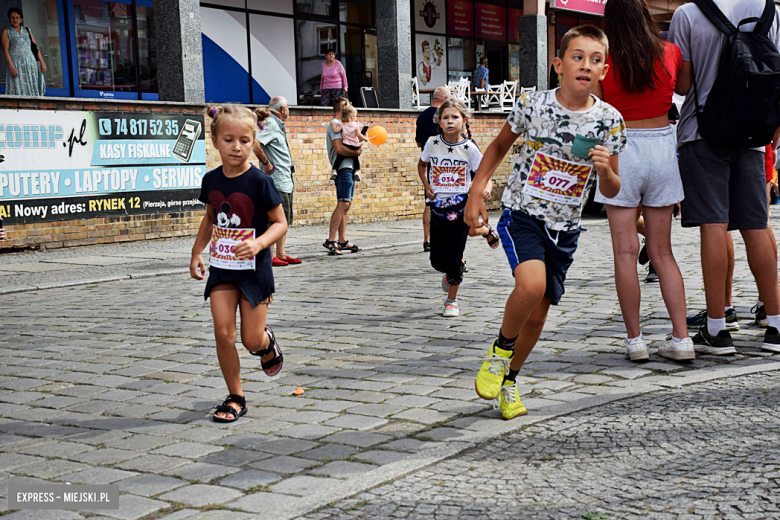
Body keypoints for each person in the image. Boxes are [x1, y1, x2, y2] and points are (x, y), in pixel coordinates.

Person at [466, 25, 625, 419]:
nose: (585, 65)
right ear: (558, 64)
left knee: (538, 314)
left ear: (604, 71)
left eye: (595, 60)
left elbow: (615, 185)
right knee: (531, 286)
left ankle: (509, 380)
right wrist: (476, 190)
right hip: (523, 214)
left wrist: (605, 172)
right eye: (577, 56)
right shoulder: (534, 105)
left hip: (566, 227)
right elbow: (500, 145)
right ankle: (500, 351)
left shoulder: (609, 121)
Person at [670, 0, 780, 354]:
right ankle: (777, 324)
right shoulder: (771, 11)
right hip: (753, 132)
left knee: (713, 225)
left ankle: (717, 329)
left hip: (703, 132)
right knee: (756, 223)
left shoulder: (687, 14)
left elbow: (684, 86)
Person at [592, 0, 691, 361]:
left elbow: (596, 107)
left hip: (621, 148)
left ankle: (635, 341)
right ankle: (681, 338)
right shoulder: (670, 51)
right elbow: (684, 85)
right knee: (663, 252)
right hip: (662, 146)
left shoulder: (603, 59)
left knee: (624, 251)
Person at [190, 105, 288, 423]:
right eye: (229, 139)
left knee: (250, 340)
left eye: (244, 141)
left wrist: (260, 243)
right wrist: (196, 253)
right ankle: (236, 397)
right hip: (222, 268)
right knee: (223, 333)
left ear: (253, 142)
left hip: (254, 268)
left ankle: (266, 342)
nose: (236, 147)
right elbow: (209, 218)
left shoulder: (260, 182)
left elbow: (280, 223)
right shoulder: (211, 180)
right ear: (215, 140)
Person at [418, 98, 497, 318]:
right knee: (437, 261)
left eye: (455, 117)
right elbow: (422, 164)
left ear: (464, 121)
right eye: (445, 117)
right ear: (439, 121)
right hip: (438, 208)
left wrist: (486, 187)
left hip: (462, 207)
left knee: (454, 258)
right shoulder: (432, 143)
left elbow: (484, 172)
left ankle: (451, 301)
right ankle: (483, 234)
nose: (450, 121)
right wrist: (426, 185)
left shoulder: (468, 148)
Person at [254, 96, 302, 266]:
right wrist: (266, 163)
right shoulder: (270, 124)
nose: (289, 111)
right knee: (274, 220)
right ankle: (270, 255)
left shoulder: (277, 125)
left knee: (285, 219)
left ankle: (281, 253)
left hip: (284, 178)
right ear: (282, 109)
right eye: (288, 107)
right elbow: (255, 143)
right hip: (276, 180)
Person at [324, 97, 362, 256]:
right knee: (342, 204)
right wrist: (356, 152)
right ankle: (331, 240)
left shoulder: (345, 125)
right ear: (343, 108)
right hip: (342, 168)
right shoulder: (336, 125)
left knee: (346, 205)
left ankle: (342, 240)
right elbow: (339, 148)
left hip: (349, 168)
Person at [416, 86, 452, 252]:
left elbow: (418, 143)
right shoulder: (446, 117)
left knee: (429, 203)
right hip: (446, 165)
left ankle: (427, 240)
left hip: (429, 164)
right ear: (445, 99)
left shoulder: (422, 116)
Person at [2, 7, 46, 97]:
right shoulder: (6, 32)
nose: (15, 20)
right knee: (17, 87)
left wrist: (42, 62)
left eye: (17, 17)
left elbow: (35, 47)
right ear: (9, 19)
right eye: (12, 17)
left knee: (32, 86)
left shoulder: (27, 30)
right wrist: (11, 66)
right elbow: (5, 51)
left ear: (21, 19)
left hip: (30, 63)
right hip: (16, 64)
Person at [331, 104, 368, 180]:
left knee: (339, 158)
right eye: (355, 116)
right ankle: (357, 172)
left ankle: (334, 170)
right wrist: (364, 138)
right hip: (354, 145)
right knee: (355, 159)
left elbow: (335, 130)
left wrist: (332, 124)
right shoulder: (355, 125)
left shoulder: (341, 123)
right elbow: (358, 135)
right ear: (351, 116)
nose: (356, 117)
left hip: (346, 144)